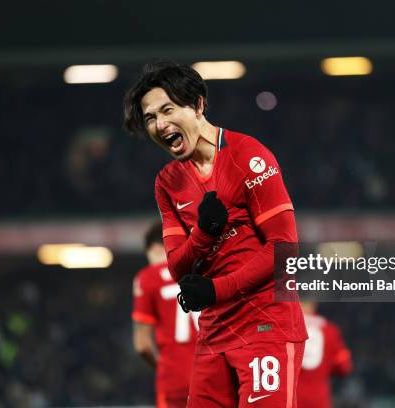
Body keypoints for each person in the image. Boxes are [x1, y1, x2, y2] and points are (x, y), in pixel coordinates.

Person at [124, 61, 307, 407]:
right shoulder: (167, 182)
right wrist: (204, 234)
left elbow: (285, 248)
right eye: (150, 118)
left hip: (265, 327)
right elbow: (178, 267)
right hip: (214, 333)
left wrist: (215, 289)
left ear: (197, 105)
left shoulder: (249, 157)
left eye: (167, 110)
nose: (160, 124)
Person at [132, 221, 199, 408]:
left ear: (153, 248)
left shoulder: (148, 277)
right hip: (211, 374)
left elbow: (142, 345)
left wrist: (161, 367)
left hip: (174, 379)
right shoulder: (202, 269)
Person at [297, 302, 352, 408]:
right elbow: (344, 367)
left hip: (290, 399)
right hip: (318, 400)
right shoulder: (330, 330)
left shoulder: (283, 327)